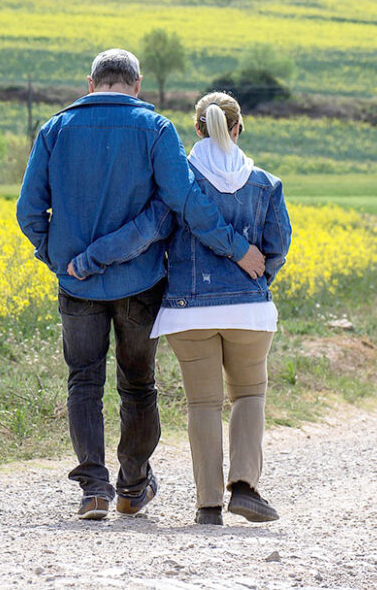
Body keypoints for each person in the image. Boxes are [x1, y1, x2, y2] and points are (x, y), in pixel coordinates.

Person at [16, 50, 266, 521]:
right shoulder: (156, 129)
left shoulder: (54, 129)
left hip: (76, 286)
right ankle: (132, 486)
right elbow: (182, 201)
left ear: (90, 82)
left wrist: (60, 260)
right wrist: (236, 248)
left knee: (83, 382)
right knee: (137, 384)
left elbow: (29, 211)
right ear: (137, 84)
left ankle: (93, 489)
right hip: (141, 282)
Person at [70, 92, 292, 526]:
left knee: (203, 405)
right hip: (249, 312)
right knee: (249, 395)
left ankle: (208, 506)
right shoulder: (266, 183)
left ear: (196, 129)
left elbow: (145, 231)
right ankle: (244, 488)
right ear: (238, 128)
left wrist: (89, 260)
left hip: (188, 313)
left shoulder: (180, 184)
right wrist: (255, 282)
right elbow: (277, 247)